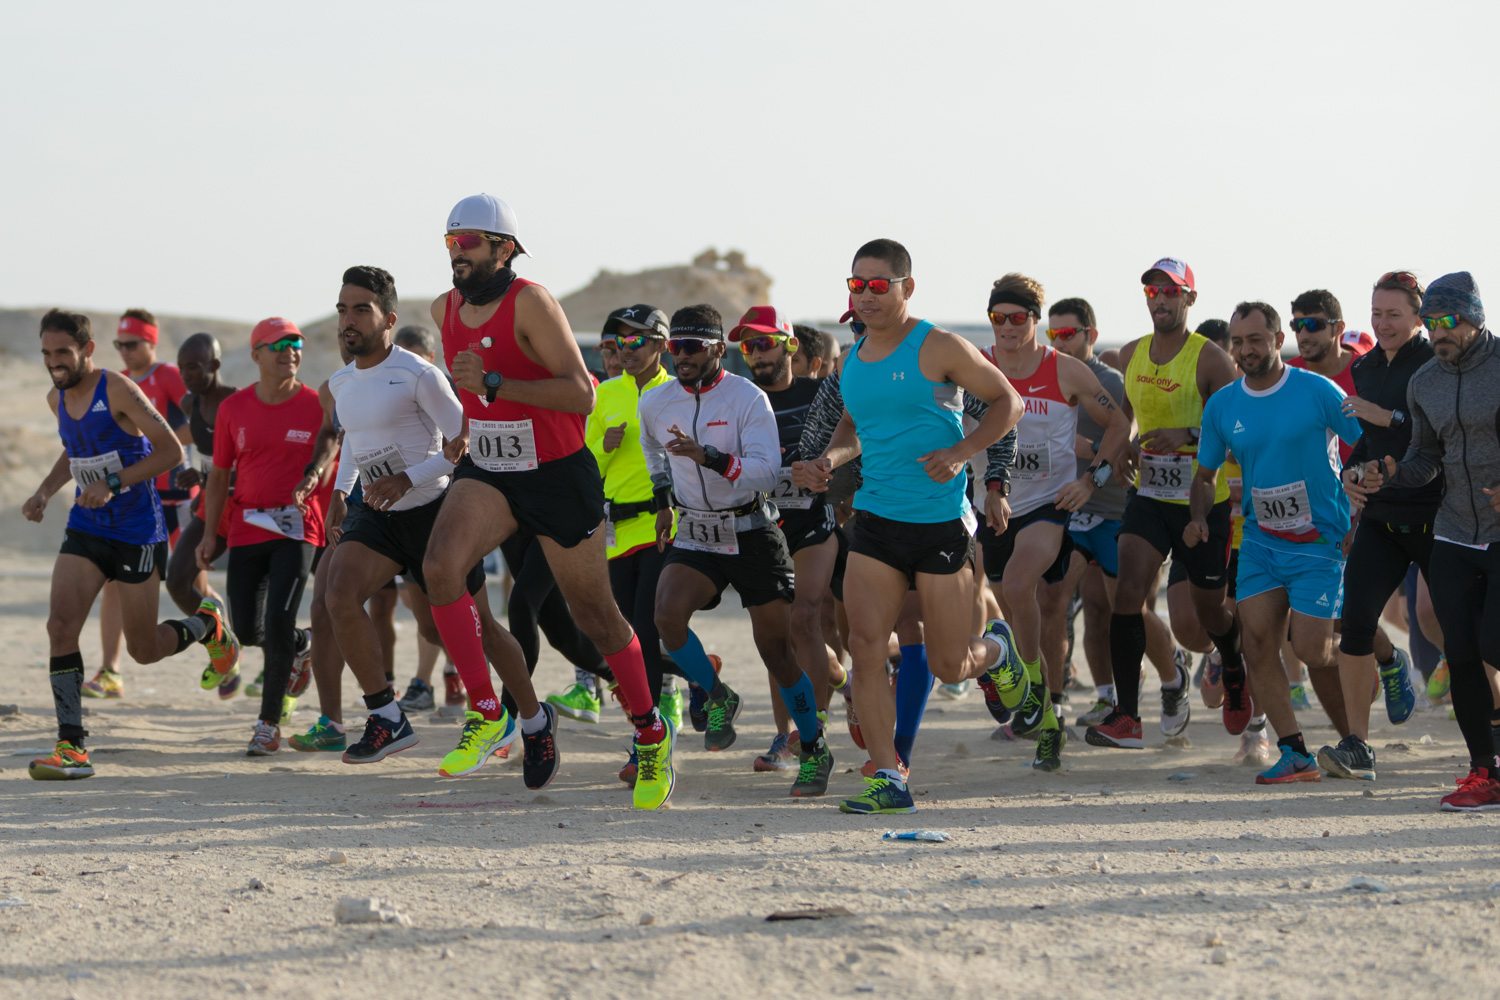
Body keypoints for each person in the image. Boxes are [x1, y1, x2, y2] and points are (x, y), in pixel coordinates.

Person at [424, 193, 671, 809]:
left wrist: (501, 383)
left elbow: (581, 396)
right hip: (491, 469)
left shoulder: (530, 302)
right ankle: (490, 713)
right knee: (439, 567)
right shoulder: (442, 309)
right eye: (450, 242)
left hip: (558, 474)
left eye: (469, 242)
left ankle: (649, 733)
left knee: (597, 619)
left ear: (504, 247)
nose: (456, 253)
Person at [794, 238, 1024, 814]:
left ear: (906, 287)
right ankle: (889, 780)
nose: (865, 295)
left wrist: (965, 450)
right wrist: (831, 460)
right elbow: (852, 430)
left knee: (950, 664)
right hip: (875, 521)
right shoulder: (855, 360)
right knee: (867, 647)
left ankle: (996, 651)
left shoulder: (938, 346)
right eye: (856, 284)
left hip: (940, 523)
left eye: (878, 285)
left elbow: (1009, 402)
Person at [319, 266, 560, 786]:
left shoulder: (419, 375)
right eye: (342, 310)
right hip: (378, 513)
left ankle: (535, 720)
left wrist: (409, 478)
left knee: (477, 631)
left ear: (388, 318)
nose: (348, 321)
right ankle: (386, 716)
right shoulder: (341, 381)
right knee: (338, 593)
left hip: (434, 515)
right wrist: (342, 491)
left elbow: (463, 447)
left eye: (361, 309)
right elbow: (357, 443)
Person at [24, 309, 240, 780]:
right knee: (60, 627)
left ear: (87, 350)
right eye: (46, 353)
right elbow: (73, 448)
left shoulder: (117, 388)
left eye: (63, 352)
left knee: (143, 649)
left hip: (137, 529)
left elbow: (171, 451)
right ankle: (72, 747)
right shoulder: (55, 398)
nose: (54, 362)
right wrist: (44, 491)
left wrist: (115, 483)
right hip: (86, 526)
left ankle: (208, 626)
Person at [639, 304, 835, 797]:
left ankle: (813, 746)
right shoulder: (657, 402)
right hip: (695, 531)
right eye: (674, 347)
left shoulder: (748, 398)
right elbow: (652, 449)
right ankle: (716, 693)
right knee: (666, 617)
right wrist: (664, 499)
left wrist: (711, 458)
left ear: (716, 351)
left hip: (750, 529)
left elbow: (768, 472)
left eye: (692, 348)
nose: (680, 357)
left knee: (777, 652)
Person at [1191, 301, 1363, 784]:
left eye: (1255, 340)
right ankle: (1295, 752)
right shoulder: (1224, 404)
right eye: (1238, 342)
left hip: (1321, 543)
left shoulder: (1317, 391)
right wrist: (1199, 517)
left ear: (1277, 338)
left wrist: (1359, 515)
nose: (1245, 350)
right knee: (1259, 642)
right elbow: (1204, 476)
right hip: (1263, 544)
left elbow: (1365, 449)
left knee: (1311, 649)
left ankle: (1361, 657)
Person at [1086, 258, 1244, 751]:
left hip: (1203, 503)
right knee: (1127, 594)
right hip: (1150, 496)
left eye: (1171, 292)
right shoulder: (1132, 353)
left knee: (1209, 616)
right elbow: (1125, 419)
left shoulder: (1211, 361)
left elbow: (1240, 432)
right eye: (1153, 291)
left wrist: (1190, 433)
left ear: (1189, 299)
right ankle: (1128, 716)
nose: (1160, 299)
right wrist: (1124, 447)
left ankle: (1233, 666)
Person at [977, 275, 1133, 770]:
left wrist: (1092, 480)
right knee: (1012, 608)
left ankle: (1023, 691)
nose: (1006, 327)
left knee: (1023, 587)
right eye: (997, 317)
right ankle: (1047, 718)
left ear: (1035, 320)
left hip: (1049, 505)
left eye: (1017, 318)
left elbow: (1119, 424)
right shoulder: (975, 367)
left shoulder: (1064, 371)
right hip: (991, 505)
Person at [1358, 272, 1500, 811]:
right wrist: (1390, 470)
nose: (1439, 332)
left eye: (1449, 322)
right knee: (1461, 653)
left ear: (1474, 318)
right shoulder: (1426, 383)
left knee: (1493, 645)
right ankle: (1484, 771)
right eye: (1434, 322)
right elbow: (1424, 460)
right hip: (1455, 533)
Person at [1038, 300, 1185, 734]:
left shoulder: (1109, 382)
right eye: (1053, 335)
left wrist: (1090, 458)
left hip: (1113, 510)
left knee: (1126, 608)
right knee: (1053, 601)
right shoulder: (1047, 376)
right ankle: (1062, 705)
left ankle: (1173, 675)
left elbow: (1131, 436)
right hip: (1066, 510)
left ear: (1091, 336)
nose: (1060, 342)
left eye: (1069, 334)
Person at [1318, 273, 1435, 780]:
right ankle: (1357, 746)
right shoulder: (1364, 366)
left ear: (1417, 316)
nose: (1383, 323)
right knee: (1358, 621)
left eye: (1393, 314)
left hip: (1436, 516)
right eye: (1376, 313)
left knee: (1458, 628)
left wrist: (1387, 418)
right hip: (1383, 518)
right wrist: (1350, 472)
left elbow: (1437, 436)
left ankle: (1490, 735)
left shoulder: (1435, 364)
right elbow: (1368, 440)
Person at [730, 306, 853, 772]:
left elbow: (856, 440)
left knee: (806, 619)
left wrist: (833, 479)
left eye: (764, 343)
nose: (757, 354)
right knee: (774, 635)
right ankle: (797, 725)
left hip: (815, 522)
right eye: (748, 346)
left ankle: (810, 733)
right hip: (764, 527)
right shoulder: (740, 399)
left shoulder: (820, 393)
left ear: (789, 345)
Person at [197, 318, 326, 755]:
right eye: (279, 345)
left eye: (296, 344)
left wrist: (332, 521)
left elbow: (334, 466)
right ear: (256, 356)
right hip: (247, 528)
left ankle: (267, 725)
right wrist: (211, 535)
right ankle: (303, 647)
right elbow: (219, 477)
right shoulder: (234, 410)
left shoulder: (316, 406)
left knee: (278, 621)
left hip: (299, 528)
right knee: (250, 631)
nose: (290, 350)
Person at [570, 304, 678, 783]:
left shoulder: (675, 393)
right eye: (619, 342)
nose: (626, 350)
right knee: (627, 640)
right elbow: (582, 470)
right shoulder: (603, 395)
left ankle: (648, 745)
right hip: (614, 533)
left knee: (648, 632)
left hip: (662, 527)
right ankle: (699, 688)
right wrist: (604, 447)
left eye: (638, 341)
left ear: (661, 345)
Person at [84, 308, 196, 699]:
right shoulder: (120, 383)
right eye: (119, 344)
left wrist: (162, 445)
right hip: (136, 498)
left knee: (190, 583)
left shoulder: (166, 375)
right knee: (113, 583)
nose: (126, 351)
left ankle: (220, 634)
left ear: (151, 342)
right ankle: (110, 670)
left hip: (177, 496)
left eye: (132, 344)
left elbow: (199, 416)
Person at [389, 324, 465, 714]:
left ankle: (449, 680)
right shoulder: (387, 388)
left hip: (445, 503)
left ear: (431, 359)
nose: (404, 363)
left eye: (414, 355)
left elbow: (460, 449)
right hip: (399, 507)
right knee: (422, 610)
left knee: (452, 599)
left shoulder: (439, 387)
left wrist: (409, 477)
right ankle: (432, 681)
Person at [167, 333, 240, 698]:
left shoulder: (238, 402)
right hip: (211, 503)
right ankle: (220, 641)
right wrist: (199, 474)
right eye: (182, 368)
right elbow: (205, 456)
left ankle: (293, 655)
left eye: (194, 366)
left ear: (215, 364)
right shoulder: (188, 402)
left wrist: (211, 475)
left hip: (247, 505)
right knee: (177, 581)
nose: (187, 375)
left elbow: (258, 461)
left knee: (254, 610)